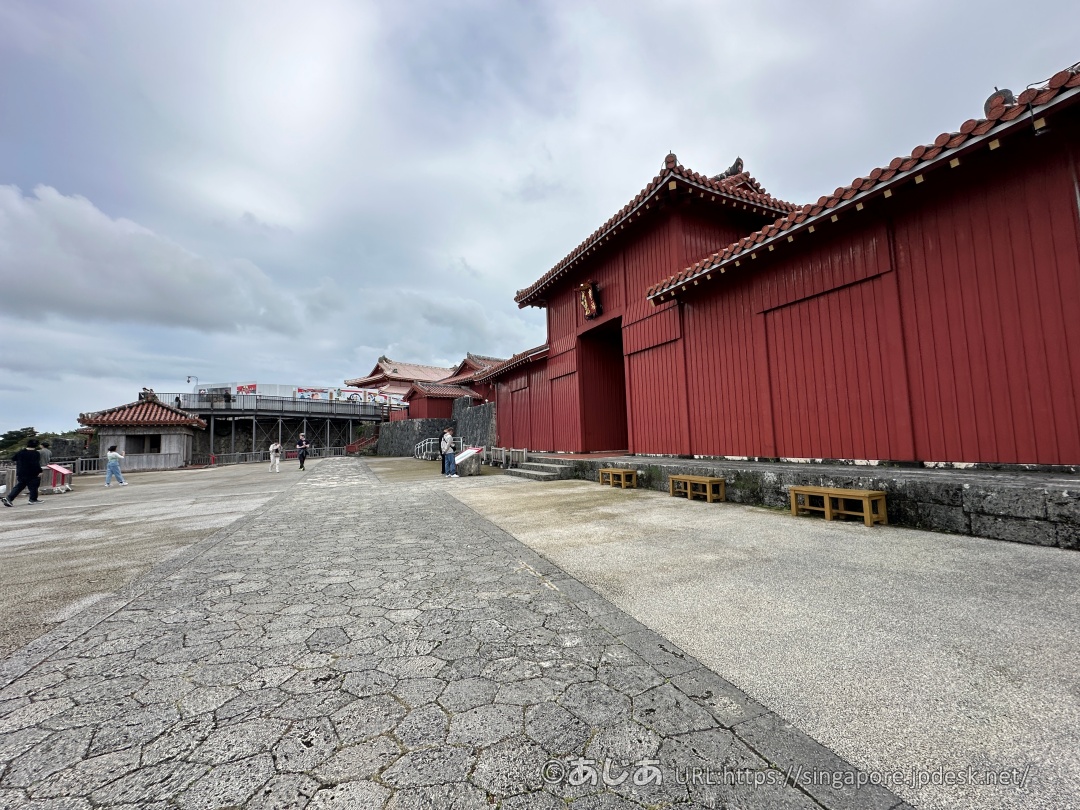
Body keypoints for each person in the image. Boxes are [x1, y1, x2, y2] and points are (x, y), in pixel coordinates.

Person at [3, 439, 43, 506]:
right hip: (32, 472)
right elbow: (36, 464)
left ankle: (9, 498)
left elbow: (13, 458)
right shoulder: (36, 453)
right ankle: (33, 499)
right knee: (33, 486)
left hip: (21, 472)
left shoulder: (21, 452)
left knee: (20, 486)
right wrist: (40, 471)